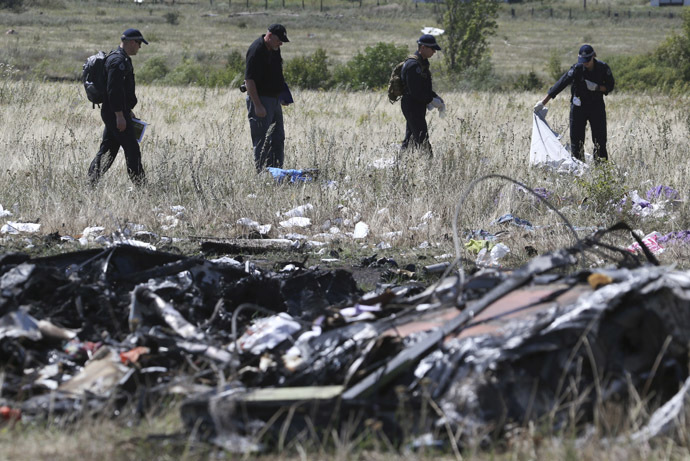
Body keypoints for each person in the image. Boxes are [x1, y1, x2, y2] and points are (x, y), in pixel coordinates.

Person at [534, 44, 615, 162]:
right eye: (583, 61)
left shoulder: (603, 68)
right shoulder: (577, 69)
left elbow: (610, 86)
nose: (585, 63)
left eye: (587, 60)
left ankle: (602, 172)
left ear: (593, 56)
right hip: (578, 109)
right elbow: (561, 84)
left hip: (596, 107)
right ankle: (579, 171)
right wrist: (543, 102)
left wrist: (597, 87)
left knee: (600, 142)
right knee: (576, 143)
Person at [88, 28, 148, 187]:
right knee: (132, 151)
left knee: (108, 151)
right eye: (139, 43)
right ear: (132, 42)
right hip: (115, 114)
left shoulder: (121, 59)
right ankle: (142, 189)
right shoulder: (118, 61)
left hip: (116, 112)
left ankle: (90, 184)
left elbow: (120, 92)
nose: (140, 47)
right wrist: (120, 116)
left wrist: (127, 111)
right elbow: (113, 91)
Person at [244, 24, 291, 172]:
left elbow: (278, 73)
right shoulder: (256, 50)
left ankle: (277, 173)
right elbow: (249, 81)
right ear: (270, 36)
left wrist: (283, 95)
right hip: (261, 100)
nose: (281, 43)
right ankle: (263, 174)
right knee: (262, 141)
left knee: (278, 138)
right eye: (279, 40)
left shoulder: (275, 49)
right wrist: (257, 105)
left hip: (275, 100)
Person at [400, 34, 444, 156]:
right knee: (422, 137)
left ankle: (401, 163)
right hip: (412, 105)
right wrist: (430, 100)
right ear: (423, 47)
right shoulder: (413, 65)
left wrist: (435, 97)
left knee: (410, 139)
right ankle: (430, 163)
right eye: (432, 49)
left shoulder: (422, 63)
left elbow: (424, 86)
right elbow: (415, 91)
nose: (434, 52)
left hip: (417, 106)